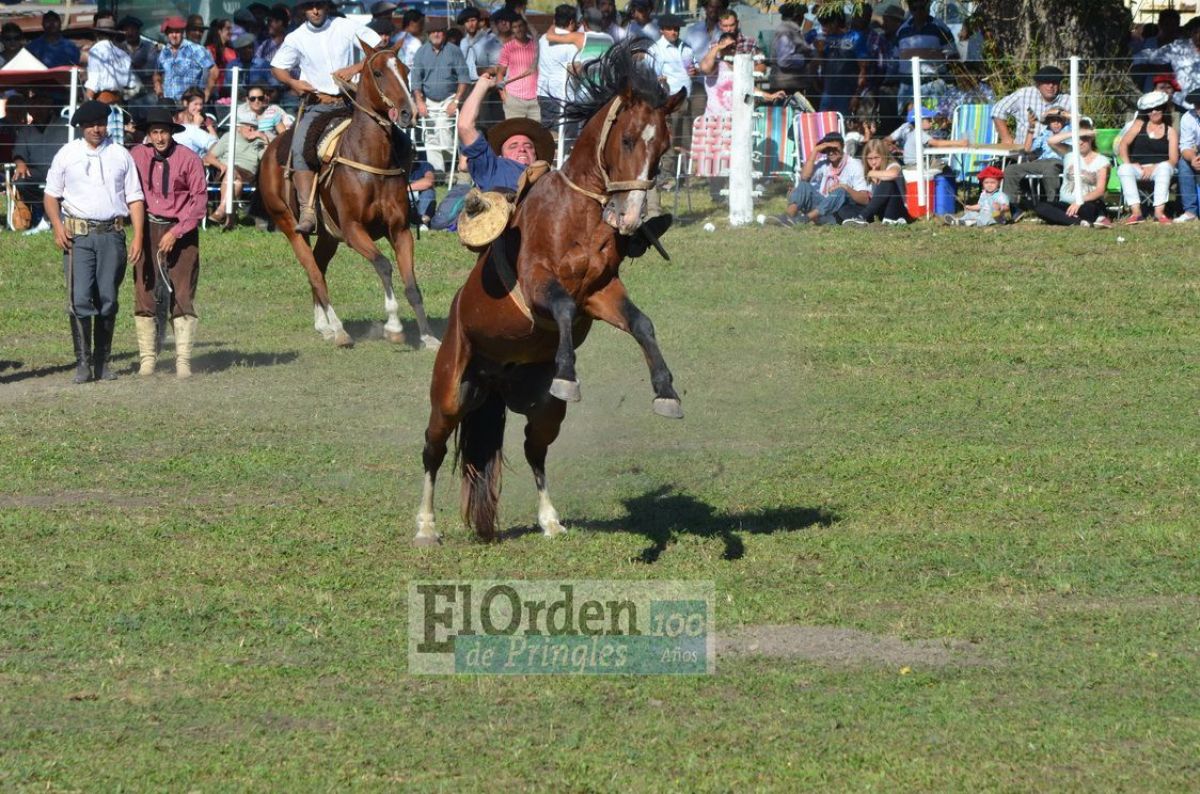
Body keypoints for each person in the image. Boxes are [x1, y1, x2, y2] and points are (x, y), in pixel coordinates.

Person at [43, 100, 146, 383]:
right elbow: (51, 195)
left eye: (100, 123)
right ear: (81, 127)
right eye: (90, 125)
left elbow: (135, 197)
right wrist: (56, 226)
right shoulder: (67, 154)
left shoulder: (120, 155)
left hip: (112, 234)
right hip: (78, 236)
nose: (96, 129)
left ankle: (103, 363)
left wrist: (138, 235)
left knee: (108, 298)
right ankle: (83, 364)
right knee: (79, 298)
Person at [271, 0, 382, 233]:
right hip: (318, 103)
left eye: (319, 5)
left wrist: (356, 68)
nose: (315, 10)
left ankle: (400, 195)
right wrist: (293, 82)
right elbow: (278, 67)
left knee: (392, 135)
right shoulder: (296, 37)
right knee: (300, 147)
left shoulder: (345, 26)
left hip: (353, 101)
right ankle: (308, 210)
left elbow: (379, 44)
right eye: (310, 6)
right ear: (303, 10)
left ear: (326, 6)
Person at [129, 107, 206, 378]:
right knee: (144, 288)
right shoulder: (136, 155)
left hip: (181, 230)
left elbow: (199, 202)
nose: (159, 138)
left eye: (163, 132)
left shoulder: (189, 159)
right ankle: (147, 358)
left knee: (182, 292)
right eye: (154, 133)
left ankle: (183, 360)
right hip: (147, 226)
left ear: (172, 132)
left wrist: (178, 231)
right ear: (147, 135)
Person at [457, 72, 555, 192]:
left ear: (536, 155)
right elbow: (465, 126)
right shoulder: (492, 167)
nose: (522, 149)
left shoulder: (549, 179)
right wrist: (481, 85)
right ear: (500, 156)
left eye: (528, 146)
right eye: (513, 146)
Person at [770, 132, 869, 225]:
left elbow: (865, 199)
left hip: (839, 213)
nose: (830, 152)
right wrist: (815, 151)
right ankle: (787, 217)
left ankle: (804, 219)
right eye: (827, 149)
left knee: (840, 190)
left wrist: (845, 187)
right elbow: (804, 177)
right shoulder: (824, 164)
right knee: (804, 185)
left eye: (834, 148)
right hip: (821, 208)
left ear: (843, 147)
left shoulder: (855, 165)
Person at [411, 24, 472, 172]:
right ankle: (438, 173)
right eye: (433, 31)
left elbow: (463, 78)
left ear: (444, 33)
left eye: (439, 31)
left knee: (445, 136)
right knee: (430, 137)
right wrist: (419, 102)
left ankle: (453, 168)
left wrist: (456, 101)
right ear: (428, 34)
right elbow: (415, 80)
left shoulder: (454, 51)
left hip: (449, 98)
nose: (436, 34)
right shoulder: (421, 52)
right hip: (428, 99)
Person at [1117, 90, 1179, 224]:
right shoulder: (1139, 125)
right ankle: (1136, 212)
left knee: (1165, 168)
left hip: (1160, 168)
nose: (1154, 112)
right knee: (1123, 169)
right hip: (1139, 168)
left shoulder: (1170, 131)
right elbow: (1123, 145)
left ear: (1163, 109)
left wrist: (1154, 167)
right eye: (1150, 110)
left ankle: (1159, 213)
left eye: (1157, 108)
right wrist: (1129, 163)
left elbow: (1173, 159)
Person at [11, 94, 71, 231]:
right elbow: (19, 152)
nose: (37, 110)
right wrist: (20, 163)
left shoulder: (65, 125)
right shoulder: (25, 131)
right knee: (21, 181)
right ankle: (46, 212)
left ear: (49, 105)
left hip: (63, 172)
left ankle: (54, 215)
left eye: (41, 105)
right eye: (33, 106)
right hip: (38, 173)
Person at [1034, 123, 1112, 228]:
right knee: (1041, 207)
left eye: (1084, 138)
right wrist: (1074, 133)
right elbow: (1051, 141)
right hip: (1066, 203)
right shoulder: (1069, 153)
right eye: (1077, 138)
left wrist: (1079, 201)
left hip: (1089, 203)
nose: (1080, 142)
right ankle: (1080, 222)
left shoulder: (1102, 161)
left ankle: (1069, 219)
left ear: (1091, 139)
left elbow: (1100, 190)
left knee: (1087, 210)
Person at [205, 110, 269, 227]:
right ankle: (229, 219)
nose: (251, 130)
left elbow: (267, 160)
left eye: (254, 127)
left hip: (247, 174)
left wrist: (264, 139)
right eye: (248, 126)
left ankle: (221, 211)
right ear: (238, 127)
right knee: (235, 182)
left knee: (234, 178)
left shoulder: (259, 142)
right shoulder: (229, 137)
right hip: (225, 171)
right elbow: (210, 157)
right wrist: (221, 165)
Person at [894, 0, 957, 116]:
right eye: (914, 8)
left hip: (933, 85)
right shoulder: (902, 31)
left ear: (927, 7)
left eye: (921, 7)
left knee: (934, 121)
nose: (918, 11)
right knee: (908, 122)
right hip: (907, 86)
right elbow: (894, 59)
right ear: (910, 9)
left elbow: (953, 57)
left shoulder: (941, 28)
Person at [1003, 106, 1069, 210]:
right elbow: (1027, 149)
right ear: (1048, 122)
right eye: (1053, 120)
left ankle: (1053, 207)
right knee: (1011, 170)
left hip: (1059, 161)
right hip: (1041, 161)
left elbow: (1080, 121)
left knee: (1050, 170)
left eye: (1059, 120)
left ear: (1064, 120)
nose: (1056, 123)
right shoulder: (1045, 132)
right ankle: (1013, 208)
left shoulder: (1070, 129)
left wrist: (1061, 113)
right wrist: (1031, 127)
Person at [991, 65, 1071, 146]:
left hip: (1055, 153)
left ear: (1059, 84)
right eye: (1046, 82)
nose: (1051, 86)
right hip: (1023, 153)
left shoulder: (1068, 100)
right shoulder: (1024, 94)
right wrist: (1006, 138)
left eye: (1054, 82)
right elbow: (998, 109)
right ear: (1038, 84)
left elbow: (1080, 124)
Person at [814, 9, 869, 115]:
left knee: (843, 126)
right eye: (822, 24)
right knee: (824, 125)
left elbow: (863, 69)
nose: (823, 27)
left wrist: (857, 96)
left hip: (846, 94)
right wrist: (820, 52)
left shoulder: (855, 37)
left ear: (835, 22)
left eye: (825, 24)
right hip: (828, 93)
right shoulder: (825, 39)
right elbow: (823, 64)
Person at [841, 137, 907, 225]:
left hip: (897, 209)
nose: (873, 162)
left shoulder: (892, 164)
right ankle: (857, 220)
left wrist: (873, 173)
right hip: (880, 211)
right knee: (845, 207)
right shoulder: (867, 170)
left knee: (887, 183)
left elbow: (893, 174)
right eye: (870, 159)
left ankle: (861, 217)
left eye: (876, 157)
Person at [154, 16, 218, 103]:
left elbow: (214, 71)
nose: (174, 35)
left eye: (177, 32)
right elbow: (157, 73)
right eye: (170, 32)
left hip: (190, 104)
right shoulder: (164, 53)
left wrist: (206, 94)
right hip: (169, 103)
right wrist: (159, 92)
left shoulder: (195, 49)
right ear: (166, 34)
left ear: (182, 32)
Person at [1134, 17, 1200, 97]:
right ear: (1190, 33)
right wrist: (1130, 59)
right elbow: (1151, 55)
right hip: (1184, 102)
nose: (1198, 35)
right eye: (1196, 32)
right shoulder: (1178, 47)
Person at [497, 14, 540, 121]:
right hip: (514, 99)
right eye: (515, 27)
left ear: (525, 27)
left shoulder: (537, 46)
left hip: (536, 99)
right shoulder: (507, 47)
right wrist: (503, 95)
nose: (518, 29)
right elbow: (500, 73)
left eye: (520, 26)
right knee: (515, 134)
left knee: (536, 135)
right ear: (512, 30)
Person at [942, 165, 1010, 226]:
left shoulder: (1000, 195)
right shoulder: (984, 194)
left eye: (993, 182)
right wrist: (971, 207)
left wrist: (1000, 208)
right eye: (986, 183)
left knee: (986, 218)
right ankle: (958, 220)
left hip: (996, 217)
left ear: (999, 183)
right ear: (983, 184)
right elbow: (980, 206)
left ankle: (971, 223)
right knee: (971, 214)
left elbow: (1007, 207)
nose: (989, 185)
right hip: (982, 214)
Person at [1175, 90, 1200, 223]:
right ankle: (1191, 212)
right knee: (1184, 163)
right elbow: (1185, 146)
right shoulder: (1188, 118)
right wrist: (1193, 159)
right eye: (1197, 105)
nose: (1199, 109)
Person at [204, 19, 238, 96]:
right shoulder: (210, 49)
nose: (231, 32)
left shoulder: (232, 51)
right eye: (228, 29)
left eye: (231, 29)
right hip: (213, 90)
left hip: (230, 89)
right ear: (219, 31)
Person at [409, 158, 437, 228]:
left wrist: (405, 188)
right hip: (403, 197)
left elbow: (429, 182)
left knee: (429, 191)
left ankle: (423, 224)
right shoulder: (396, 167)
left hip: (418, 196)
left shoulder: (424, 165)